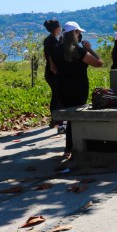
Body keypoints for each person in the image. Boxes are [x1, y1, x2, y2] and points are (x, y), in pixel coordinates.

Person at [50, 21, 103, 159]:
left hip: (61, 87)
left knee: (70, 118)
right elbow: (99, 63)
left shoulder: (55, 50)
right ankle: (73, 147)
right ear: (75, 33)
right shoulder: (80, 51)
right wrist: (89, 49)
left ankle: (69, 147)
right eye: (79, 32)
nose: (80, 35)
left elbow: (53, 69)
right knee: (76, 118)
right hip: (79, 87)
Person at [43, 20, 62, 128]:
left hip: (50, 71)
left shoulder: (51, 39)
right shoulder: (51, 41)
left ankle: (56, 118)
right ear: (56, 28)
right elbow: (50, 56)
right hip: (52, 72)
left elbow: (45, 55)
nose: (60, 29)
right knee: (56, 95)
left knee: (56, 95)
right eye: (59, 27)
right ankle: (55, 119)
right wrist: (54, 69)